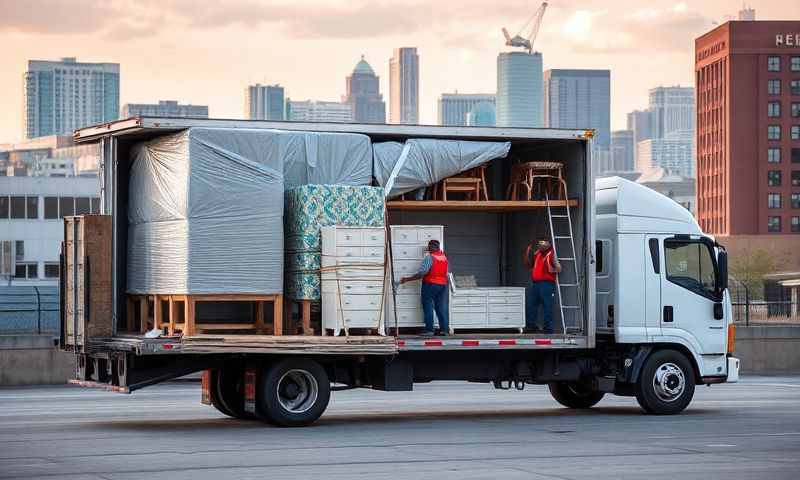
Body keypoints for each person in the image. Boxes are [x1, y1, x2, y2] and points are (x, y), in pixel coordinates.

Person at [399, 240, 450, 337]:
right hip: (443, 286)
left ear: (432, 247)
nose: (428, 249)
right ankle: (445, 330)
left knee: (428, 306)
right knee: (441, 307)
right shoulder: (444, 258)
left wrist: (407, 279)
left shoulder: (430, 258)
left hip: (430, 284)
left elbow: (422, 273)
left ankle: (429, 330)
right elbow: (446, 274)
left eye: (429, 247)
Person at [524, 238, 561, 334]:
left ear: (548, 244)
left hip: (547, 284)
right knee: (531, 305)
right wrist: (528, 254)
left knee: (547, 306)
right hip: (536, 283)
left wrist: (551, 271)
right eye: (540, 244)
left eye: (543, 243)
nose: (540, 245)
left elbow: (559, 268)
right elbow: (530, 265)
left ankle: (548, 329)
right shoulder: (537, 253)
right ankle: (531, 326)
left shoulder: (552, 254)